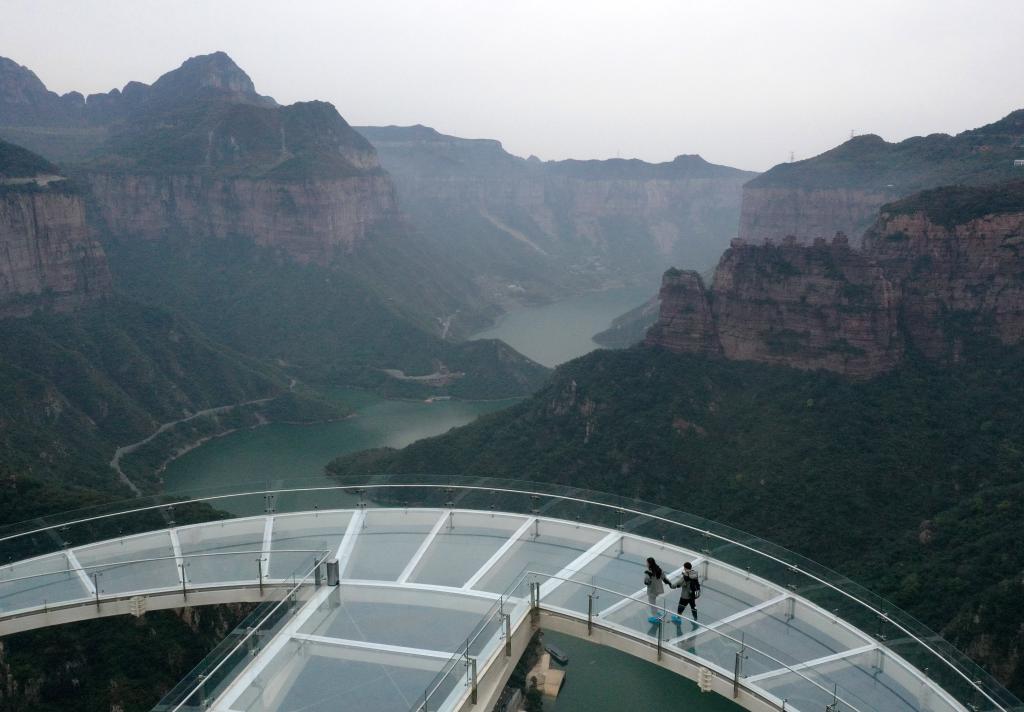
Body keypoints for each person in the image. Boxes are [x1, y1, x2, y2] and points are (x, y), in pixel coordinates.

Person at [644, 557, 673, 623]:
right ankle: (656, 613)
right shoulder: (659, 570)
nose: (646, 564)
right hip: (658, 589)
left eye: (647, 562)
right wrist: (670, 584)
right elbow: (665, 579)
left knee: (652, 603)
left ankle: (655, 617)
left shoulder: (648, 572)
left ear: (649, 563)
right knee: (653, 601)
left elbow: (646, 582)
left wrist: (648, 578)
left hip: (652, 590)